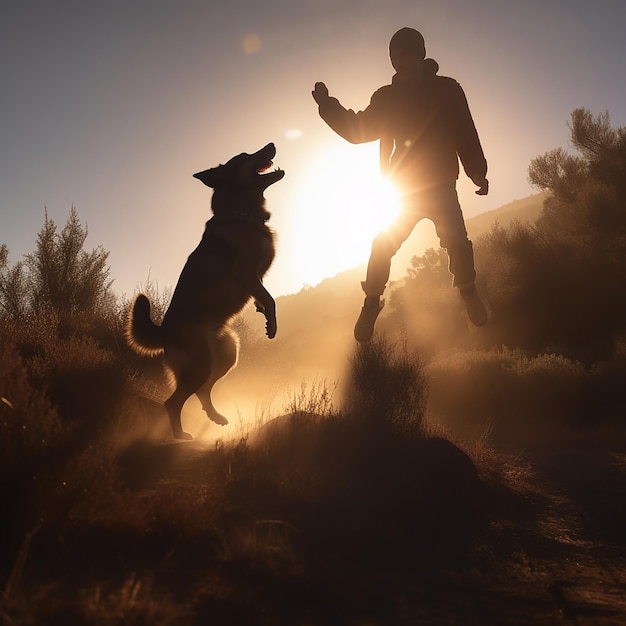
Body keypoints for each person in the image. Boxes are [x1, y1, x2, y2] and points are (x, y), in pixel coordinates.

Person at [312, 27, 489, 342]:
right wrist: (328, 106)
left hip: (440, 185)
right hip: (403, 191)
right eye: (394, 56)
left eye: (405, 53)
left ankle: (468, 291)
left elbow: (465, 130)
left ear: (420, 54)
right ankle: (371, 303)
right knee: (382, 246)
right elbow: (359, 130)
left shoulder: (447, 89)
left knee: (458, 243)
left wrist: (478, 171)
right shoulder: (386, 98)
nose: (399, 61)